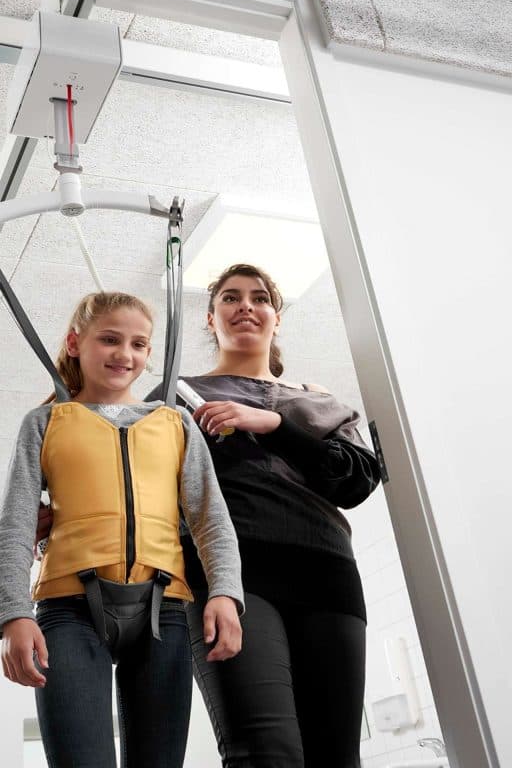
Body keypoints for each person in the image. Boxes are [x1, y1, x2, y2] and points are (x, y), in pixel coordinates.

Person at [0, 290, 243, 768]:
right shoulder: (44, 423)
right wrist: (12, 615)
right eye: (110, 339)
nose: (125, 354)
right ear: (73, 342)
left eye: (139, 345)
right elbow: (15, 524)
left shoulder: (175, 424)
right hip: (68, 611)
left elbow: (211, 519)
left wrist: (225, 593)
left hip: (163, 611)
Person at [150, 263, 381, 768]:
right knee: (265, 752)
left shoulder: (317, 402)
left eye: (258, 298)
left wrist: (274, 423)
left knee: (336, 757)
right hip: (231, 577)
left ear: (277, 317)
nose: (245, 307)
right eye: (230, 298)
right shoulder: (174, 398)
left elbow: (358, 481)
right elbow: (129, 483)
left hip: (327, 577)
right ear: (211, 319)